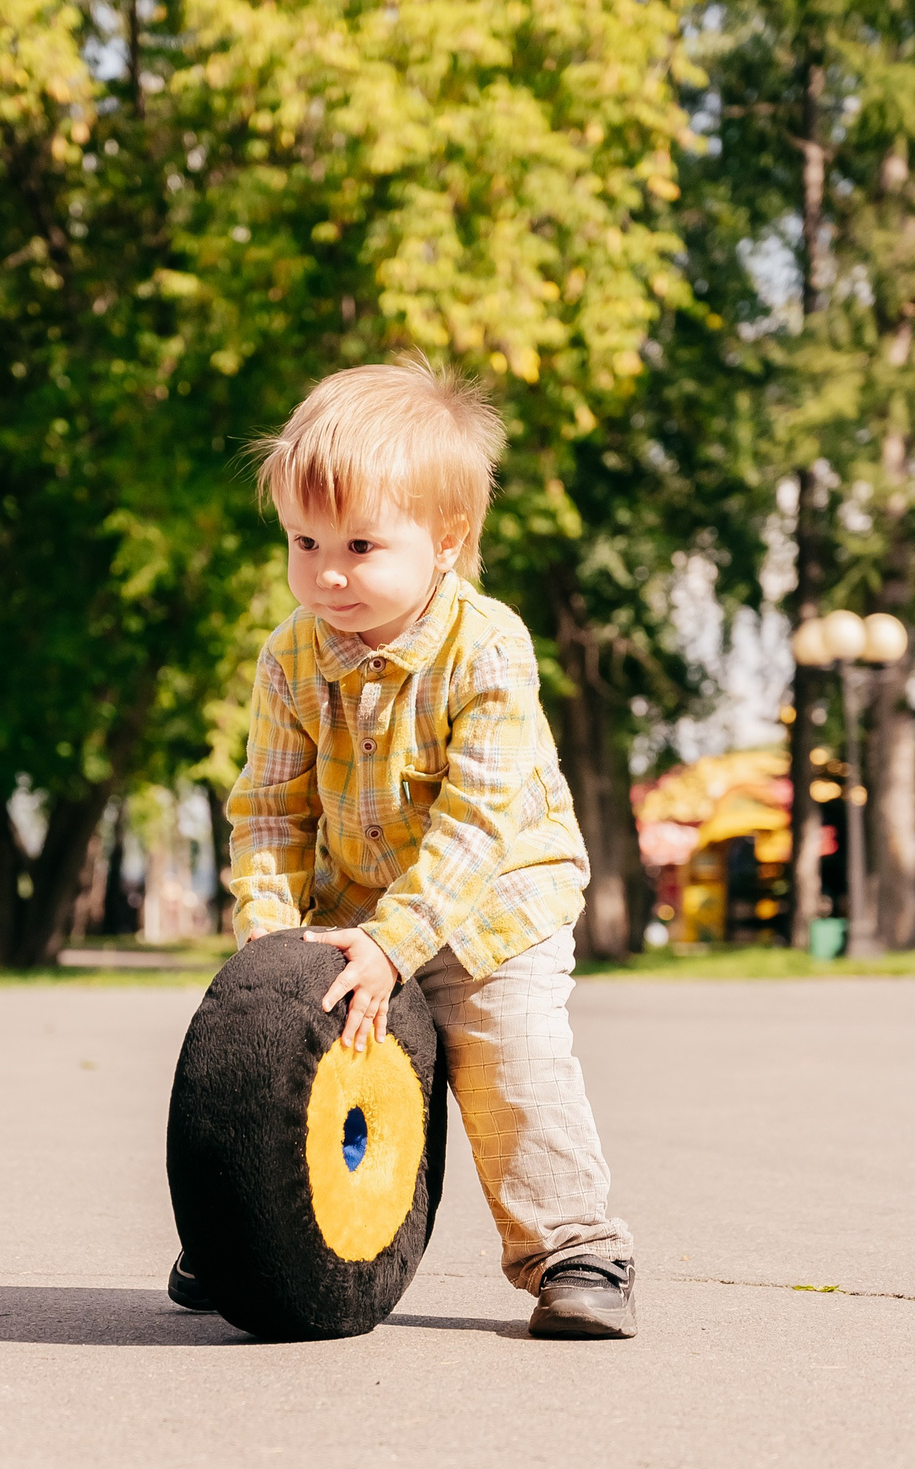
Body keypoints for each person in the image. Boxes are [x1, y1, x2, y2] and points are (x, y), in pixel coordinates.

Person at [167, 357, 636, 1340]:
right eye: (304, 541)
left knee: (509, 1061)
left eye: (360, 544)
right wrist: (274, 948)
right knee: (301, 1053)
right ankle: (256, 1229)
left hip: (493, 897)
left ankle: (573, 1245)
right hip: (357, 895)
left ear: (448, 541)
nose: (326, 572)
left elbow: (474, 825)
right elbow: (266, 811)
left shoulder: (489, 648)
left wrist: (398, 942)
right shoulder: (290, 655)